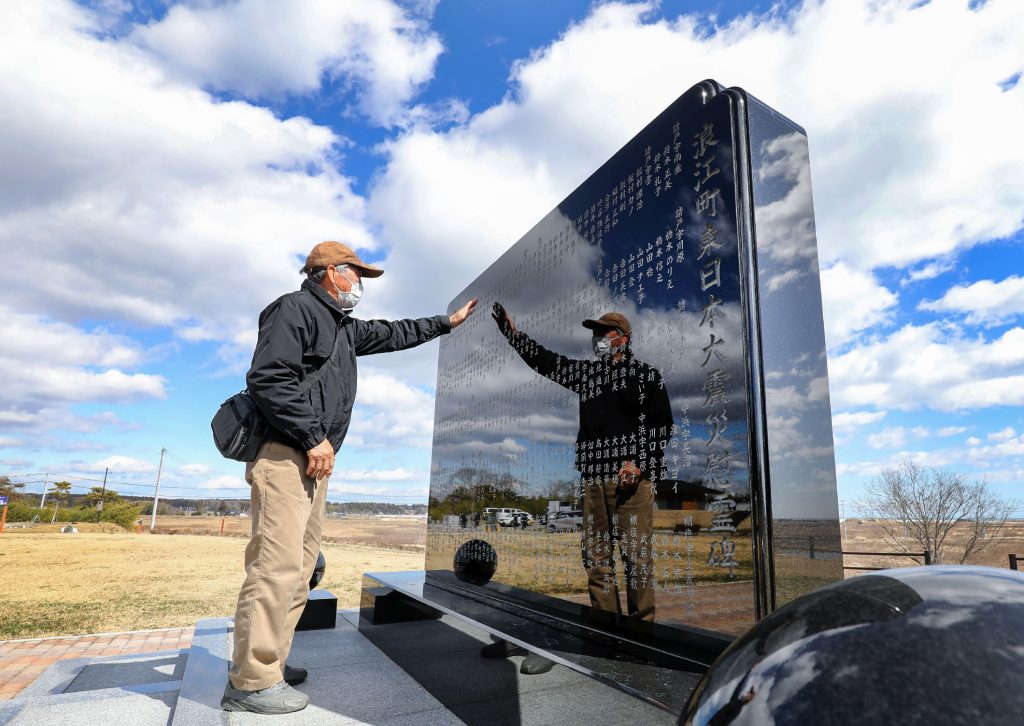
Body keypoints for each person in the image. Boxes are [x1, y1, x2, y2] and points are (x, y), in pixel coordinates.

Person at [221, 241, 477, 714]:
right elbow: (269, 378)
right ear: (333, 272)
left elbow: (394, 332)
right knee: (274, 568)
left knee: (298, 570)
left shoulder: (342, 328)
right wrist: (314, 437)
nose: (360, 285)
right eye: (357, 275)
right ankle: (251, 681)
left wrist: (447, 322)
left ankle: (270, 664)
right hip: (286, 455)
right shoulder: (293, 309)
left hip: (313, 461)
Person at [480, 303, 672, 674]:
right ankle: (603, 634)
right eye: (595, 334)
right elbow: (547, 362)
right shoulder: (589, 375)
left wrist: (639, 463)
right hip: (593, 481)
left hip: (632, 482)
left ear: (623, 338)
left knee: (636, 560)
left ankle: (639, 637)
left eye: (604, 333)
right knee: (597, 560)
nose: (597, 340)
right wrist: (512, 334)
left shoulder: (647, 376)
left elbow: (662, 425)